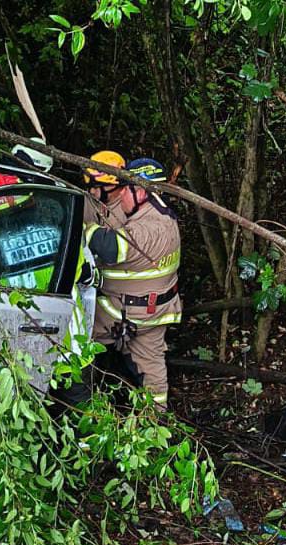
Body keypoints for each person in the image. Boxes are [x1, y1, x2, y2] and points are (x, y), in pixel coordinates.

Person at [84, 158, 181, 410]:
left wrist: (82, 226)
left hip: (126, 311)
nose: (121, 196)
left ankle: (80, 405)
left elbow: (110, 247)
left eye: (124, 190)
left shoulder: (149, 228)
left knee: (77, 338)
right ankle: (158, 419)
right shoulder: (163, 216)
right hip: (155, 311)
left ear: (140, 192)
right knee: (153, 371)